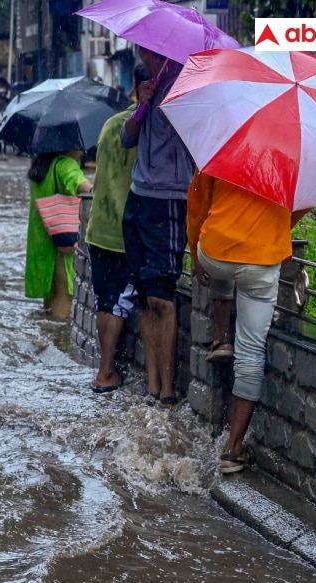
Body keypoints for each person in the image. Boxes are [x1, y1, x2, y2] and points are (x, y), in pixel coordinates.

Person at [188, 172, 309, 473]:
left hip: (216, 253)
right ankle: (233, 449)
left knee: (220, 264)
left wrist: (195, 253)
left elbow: (197, 206)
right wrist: (273, 227)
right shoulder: (292, 163)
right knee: (252, 354)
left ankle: (221, 335)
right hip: (261, 261)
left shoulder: (222, 145)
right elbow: (302, 205)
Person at [120, 45, 194, 407]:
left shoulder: (188, 84)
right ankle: (151, 384)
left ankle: (168, 390)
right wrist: (143, 103)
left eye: (149, 50)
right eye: (140, 50)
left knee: (163, 296)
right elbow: (126, 138)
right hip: (139, 196)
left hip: (169, 199)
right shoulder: (148, 84)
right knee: (145, 297)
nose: (144, 55)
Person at [86, 63, 153, 393]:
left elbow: (100, 176)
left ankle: (104, 367)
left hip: (99, 227)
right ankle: (106, 370)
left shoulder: (110, 124)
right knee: (118, 302)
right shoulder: (151, 129)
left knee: (104, 299)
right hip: (126, 229)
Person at [25, 149, 94, 320]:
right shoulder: (65, 164)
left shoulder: (42, 165)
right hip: (62, 241)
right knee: (66, 294)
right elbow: (84, 186)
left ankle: (46, 338)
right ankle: (58, 341)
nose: (81, 151)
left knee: (51, 293)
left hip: (41, 241)